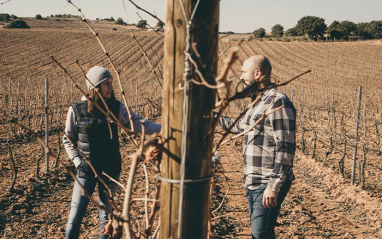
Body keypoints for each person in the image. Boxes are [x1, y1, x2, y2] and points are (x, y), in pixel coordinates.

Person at [63, 66, 161, 239]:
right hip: (85, 171)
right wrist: (78, 162)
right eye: (106, 84)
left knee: (106, 219)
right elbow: (68, 139)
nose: (110, 87)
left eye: (111, 83)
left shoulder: (117, 108)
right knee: (74, 220)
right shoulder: (77, 110)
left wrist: (163, 128)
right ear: (94, 87)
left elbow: (137, 123)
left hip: (110, 170)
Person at [218, 55, 296, 238]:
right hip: (252, 179)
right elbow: (241, 127)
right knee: (261, 232)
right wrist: (214, 118)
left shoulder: (278, 102)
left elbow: (286, 148)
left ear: (258, 74)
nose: (240, 77)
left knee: (260, 233)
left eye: (244, 72)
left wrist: (273, 186)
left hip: (267, 180)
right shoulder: (258, 101)